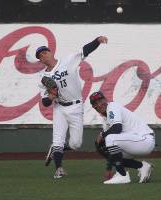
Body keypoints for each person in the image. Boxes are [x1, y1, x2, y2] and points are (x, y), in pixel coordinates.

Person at [36, 36, 108, 179]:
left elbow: (84, 51)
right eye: (40, 55)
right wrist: (51, 95)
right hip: (59, 108)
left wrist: (97, 40)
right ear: (41, 61)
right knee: (58, 139)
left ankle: (56, 149)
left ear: (51, 53)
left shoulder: (68, 61)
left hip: (75, 106)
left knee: (76, 144)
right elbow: (45, 102)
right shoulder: (43, 77)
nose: (44, 55)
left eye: (45, 52)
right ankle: (59, 169)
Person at [89, 91, 156, 184]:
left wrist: (102, 135)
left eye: (100, 100)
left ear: (105, 100)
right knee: (104, 148)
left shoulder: (112, 107)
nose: (99, 104)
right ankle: (141, 166)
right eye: (95, 103)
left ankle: (122, 175)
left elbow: (117, 128)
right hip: (135, 142)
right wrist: (108, 168)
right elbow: (109, 145)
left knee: (109, 138)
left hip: (144, 140)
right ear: (94, 107)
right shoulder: (105, 120)